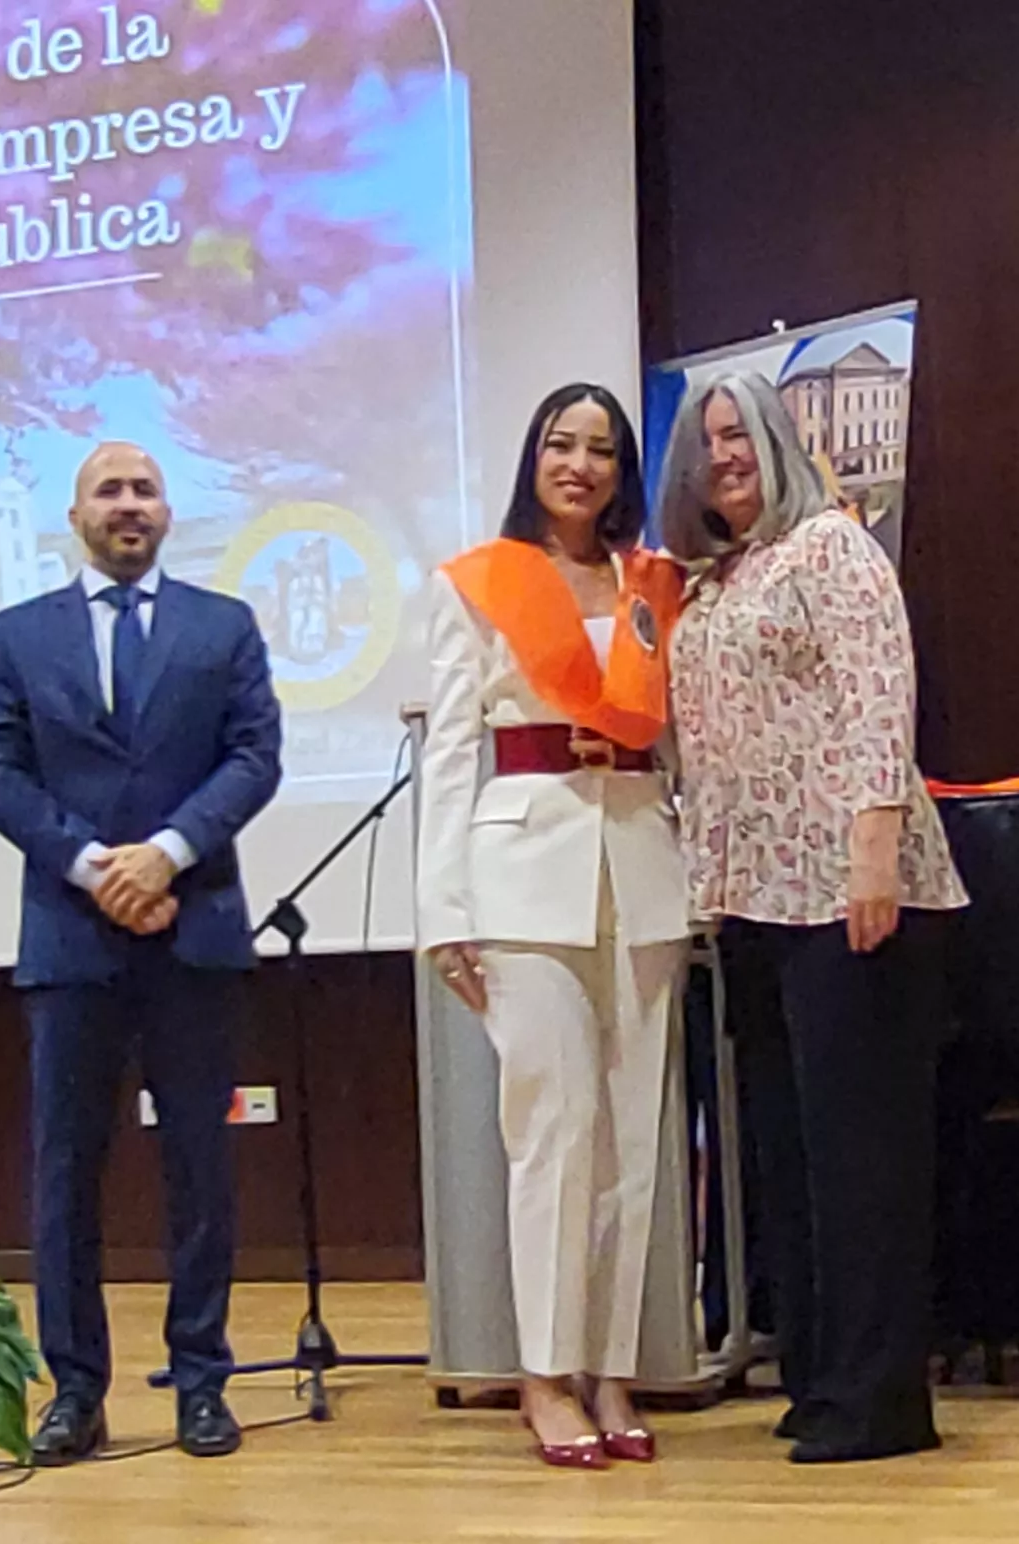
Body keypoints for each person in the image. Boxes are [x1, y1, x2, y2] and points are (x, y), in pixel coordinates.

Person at [661, 373, 968, 1465]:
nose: (725, 455)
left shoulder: (831, 546)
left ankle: (880, 1400)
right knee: (787, 1156)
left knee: (860, 1157)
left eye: (741, 433)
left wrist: (870, 851)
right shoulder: (710, 580)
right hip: (753, 899)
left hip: (851, 891)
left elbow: (880, 694)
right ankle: (820, 1377)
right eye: (707, 441)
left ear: (779, 441)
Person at [0, 441, 285, 1464]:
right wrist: (92, 863)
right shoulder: (15, 636)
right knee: (66, 1172)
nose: (128, 504)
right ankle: (74, 1391)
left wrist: (167, 853)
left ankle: (202, 1382)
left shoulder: (222, 626)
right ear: (76, 516)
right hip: (71, 937)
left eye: (144, 489)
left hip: (195, 927)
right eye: (109, 490)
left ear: (167, 512)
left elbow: (254, 756)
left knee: (199, 1167)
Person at [418, 384, 690, 1470]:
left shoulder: (652, 583)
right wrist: (442, 911)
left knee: (632, 1136)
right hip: (520, 869)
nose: (578, 465)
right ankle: (542, 1371)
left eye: (600, 450)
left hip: (642, 861)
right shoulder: (479, 582)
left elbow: (681, 739)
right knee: (553, 1125)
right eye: (560, 445)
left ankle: (610, 1367)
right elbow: (448, 752)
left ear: (623, 471)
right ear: (533, 457)